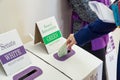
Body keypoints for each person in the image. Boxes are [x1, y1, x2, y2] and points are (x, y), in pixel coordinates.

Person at [67, 0, 111, 80]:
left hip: (100, 33)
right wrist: (109, 16)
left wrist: (110, 16)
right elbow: (87, 13)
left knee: (99, 73)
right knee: (94, 74)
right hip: (88, 37)